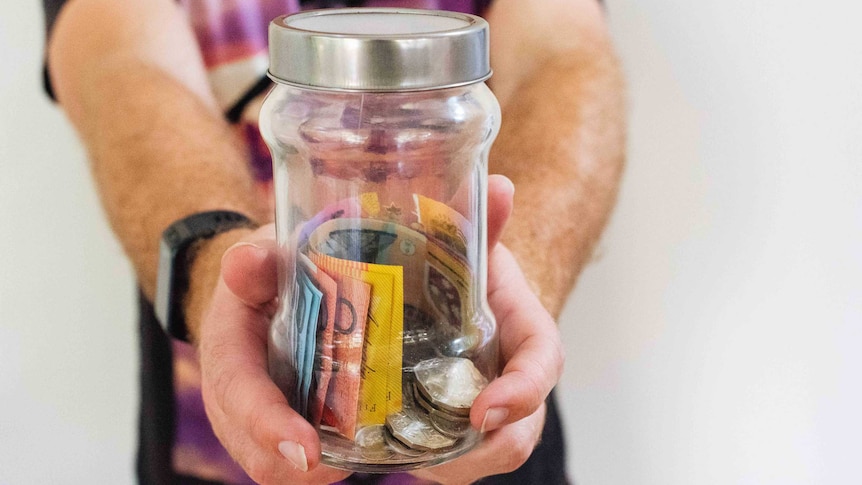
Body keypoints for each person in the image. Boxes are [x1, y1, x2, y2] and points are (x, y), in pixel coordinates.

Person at [42, 0, 625, 483]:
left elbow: (562, 51)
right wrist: (213, 265)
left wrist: (498, 285)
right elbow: (117, 55)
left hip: (495, 448)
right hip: (215, 441)